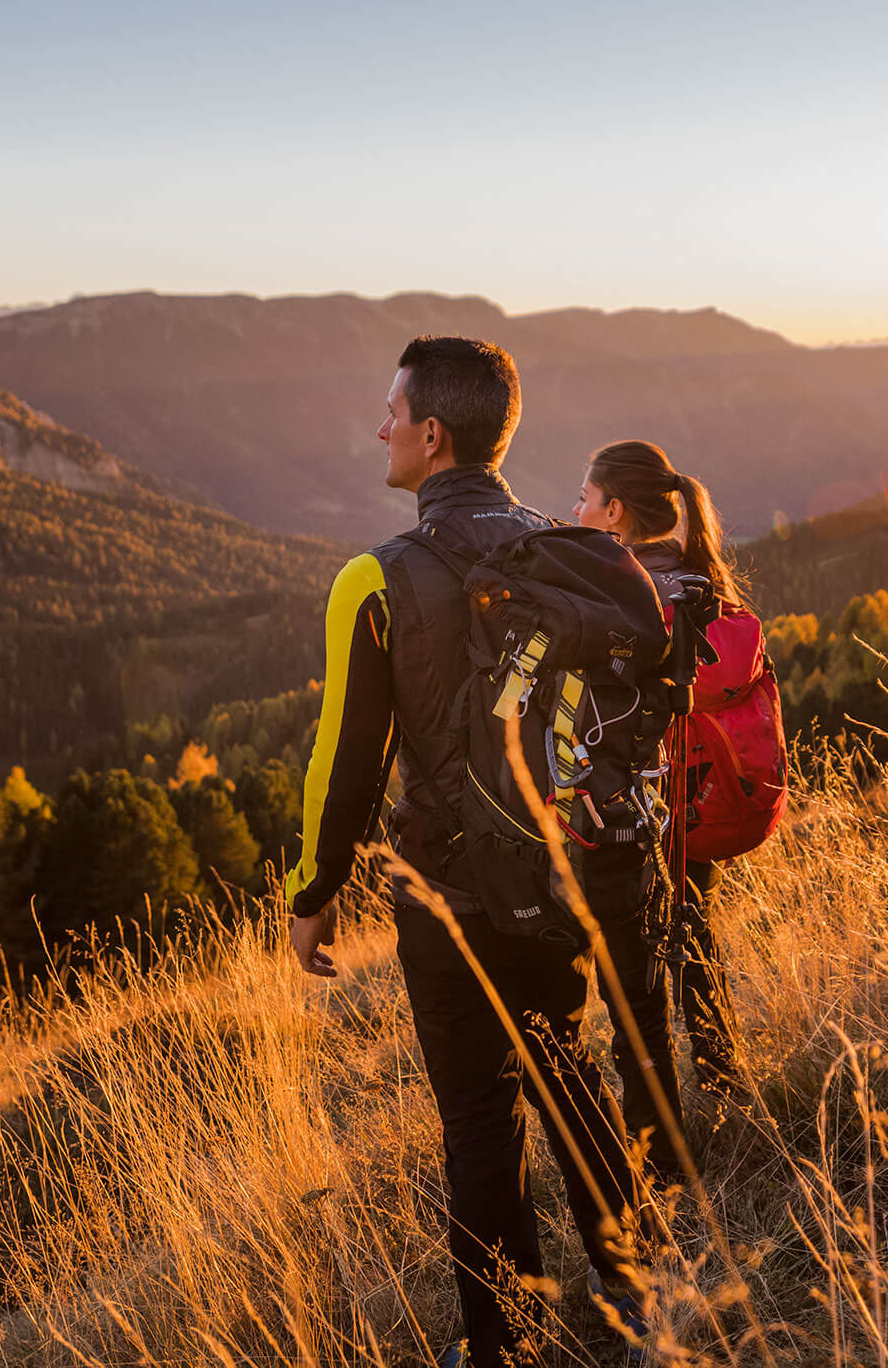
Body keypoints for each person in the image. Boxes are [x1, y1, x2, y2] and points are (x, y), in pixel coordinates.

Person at [286, 337, 645, 1368]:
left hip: (449, 898)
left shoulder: (380, 578)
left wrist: (313, 893)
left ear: (432, 434)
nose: (380, 426)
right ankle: (625, 1285)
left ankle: (504, 1342)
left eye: (391, 409)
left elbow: (345, 765)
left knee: (480, 1116)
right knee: (565, 1064)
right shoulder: (565, 549)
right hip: (560, 868)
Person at [572, 439, 750, 1182]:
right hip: (693, 804)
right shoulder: (701, 584)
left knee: (630, 986)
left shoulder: (614, 592)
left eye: (585, 498)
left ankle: (658, 1159)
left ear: (614, 510)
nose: (577, 509)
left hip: (622, 820)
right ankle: (726, 1084)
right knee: (695, 945)